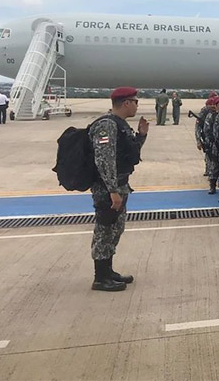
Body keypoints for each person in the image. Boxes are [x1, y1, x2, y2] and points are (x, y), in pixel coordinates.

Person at [89, 87, 148, 291]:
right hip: (107, 188)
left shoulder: (120, 125)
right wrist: (112, 191)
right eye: (135, 101)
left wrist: (141, 136)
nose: (137, 105)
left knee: (115, 229)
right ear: (126, 103)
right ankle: (100, 278)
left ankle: (108, 271)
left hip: (119, 185)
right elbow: (103, 160)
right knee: (105, 230)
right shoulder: (107, 125)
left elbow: (129, 155)